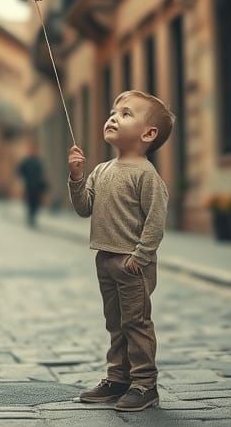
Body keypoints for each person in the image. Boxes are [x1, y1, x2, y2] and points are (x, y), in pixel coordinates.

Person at [67, 90, 174, 412]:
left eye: (126, 113)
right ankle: (118, 378)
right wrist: (76, 178)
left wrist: (139, 257)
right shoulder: (101, 170)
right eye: (113, 112)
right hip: (105, 259)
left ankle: (144, 384)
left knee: (136, 323)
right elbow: (84, 208)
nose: (113, 117)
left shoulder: (146, 175)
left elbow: (156, 220)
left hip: (131, 264)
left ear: (148, 133)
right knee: (115, 323)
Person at [16, 140, 47, 228]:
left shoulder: (38, 161)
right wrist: (23, 179)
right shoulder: (26, 162)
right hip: (29, 185)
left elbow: (42, 173)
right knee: (30, 202)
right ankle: (30, 217)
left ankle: (33, 216)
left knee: (36, 202)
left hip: (37, 186)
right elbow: (20, 171)